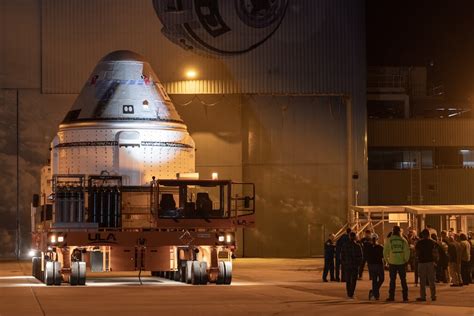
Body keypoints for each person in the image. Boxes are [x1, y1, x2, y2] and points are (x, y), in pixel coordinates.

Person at [383, 225, 410, 302]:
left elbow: (385, 251)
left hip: (392, 262)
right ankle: (405, 297)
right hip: (401, 262)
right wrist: (406, 260)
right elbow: (407, 251)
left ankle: (391, 296)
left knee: (392, 280)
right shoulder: (403, 240)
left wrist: (387, 260)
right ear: (399, 231)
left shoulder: (389, 240)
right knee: (403, 280)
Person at [415, 229, 437, 302]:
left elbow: (417, 253)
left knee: (422, 281)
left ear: (423, 235)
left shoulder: (419, 243)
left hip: (422, 263)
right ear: (429, 234)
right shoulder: (433, 242)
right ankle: (433, 296)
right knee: (431, 280)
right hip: (430, 262)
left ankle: (423, 296)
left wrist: (417, 258)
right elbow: (435, 253)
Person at [341, 232, 363, 299]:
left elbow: (342, 256)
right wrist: (358, 264)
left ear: (349, 237)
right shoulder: (357, 246)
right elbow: (361, 256)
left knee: (348, 280)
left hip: (347, 265)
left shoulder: (345, 245)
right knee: (353, 280)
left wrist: (344, 263)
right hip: (354, 266)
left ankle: (349, 293)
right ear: (355, 237)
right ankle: (351, 293)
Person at [367, 233, 384, 300]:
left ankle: (374, 293)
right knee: (381, 279)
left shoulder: (369, 247)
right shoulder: (380, 247)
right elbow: (383, 256)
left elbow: (367, 256)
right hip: (378, 265)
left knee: (374, 280)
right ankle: (375, 293)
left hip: (372, 265)